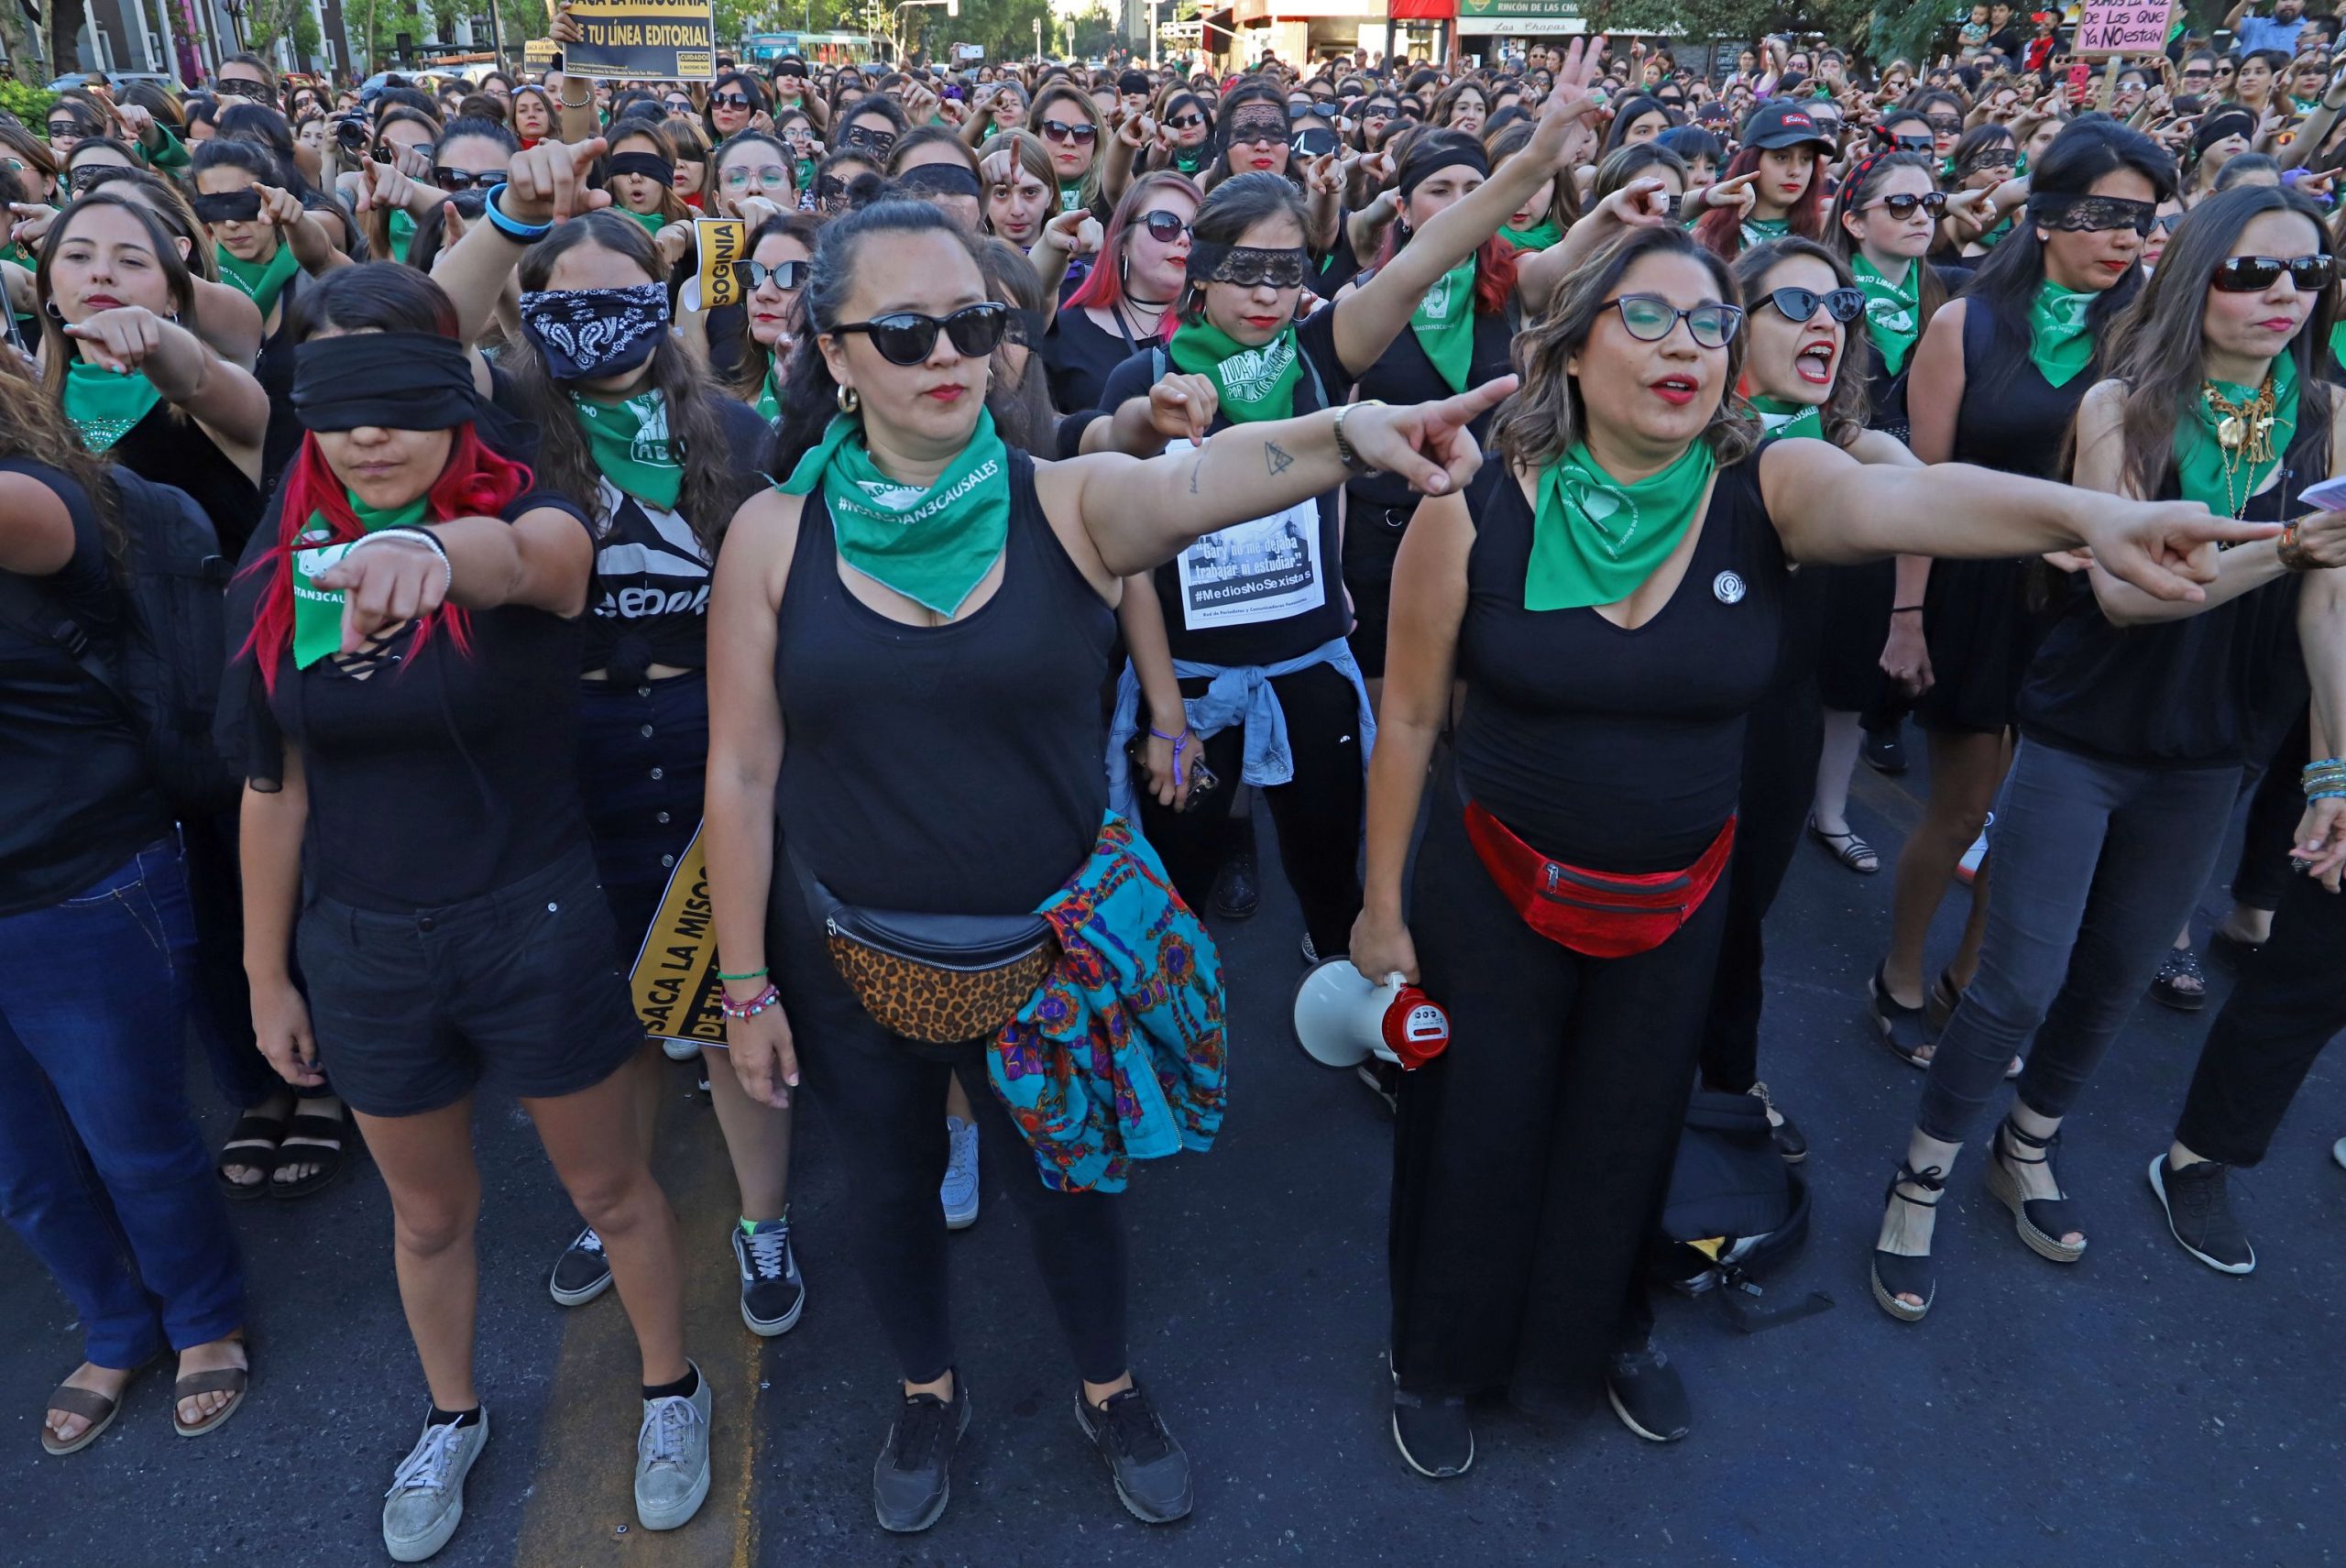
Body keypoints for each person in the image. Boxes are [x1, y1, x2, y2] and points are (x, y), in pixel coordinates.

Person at [1351, 216, 2274, 1479]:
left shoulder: (1766, 486)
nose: (1686, 344)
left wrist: (2090, 516)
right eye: (1648, 316)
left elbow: (1907, 494)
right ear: (1569, 350)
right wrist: (1380, 905)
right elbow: (1409, 717)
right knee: (1477, 1126)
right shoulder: (1471, 508)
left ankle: (1599, 1331)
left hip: (1675, 905)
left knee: (1629, 1127)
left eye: (1709, 322)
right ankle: (1437, 1355)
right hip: (1494, 890)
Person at [702, 190, 1496, 1533]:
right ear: (832, 354)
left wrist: (1340, 435)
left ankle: (1107, 1383)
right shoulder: (774, 536)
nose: (947, 355)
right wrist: (742, 986)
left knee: (1073, 1185)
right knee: (888, 1190)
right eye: (904, 332)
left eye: (973, 325)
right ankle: (925, 1388)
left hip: (1047, 955)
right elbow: (741, 773)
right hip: (844, 954)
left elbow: (1195, 482)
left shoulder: (1064, 500)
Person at [222, 262, 711, 1556]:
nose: (368, 435)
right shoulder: (284, 565)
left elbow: (529, 562)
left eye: (400, 403)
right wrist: (267, 975)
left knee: (609, 1189)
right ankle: (451, 1412)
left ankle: (671, 1386)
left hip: (531, 920)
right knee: (429, 1214)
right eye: (339, 410)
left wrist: (430, 550)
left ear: (457, 401)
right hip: (365, 944)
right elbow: (275, 785)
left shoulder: (536, 516)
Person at [1872, 186, 2346, 1318]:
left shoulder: (2327, 412)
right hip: (2085, 730)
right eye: (2250, 271)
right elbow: (2130, 597)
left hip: (2214, 747)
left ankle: (2026, 1146)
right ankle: (1920, 1176)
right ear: (2195, 276)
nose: (2282, 293)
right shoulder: (2118, 402)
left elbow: (2329, 603)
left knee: (2119, 973)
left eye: (2307, 272)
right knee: (2016, 981)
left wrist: (2333, 769)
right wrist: (2284, 544)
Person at [1093, 82, 1598, 967]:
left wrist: (1533, 159)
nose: (1266, 293)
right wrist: (1165, 710)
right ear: (1199, 272)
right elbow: (1124, 550)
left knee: (1332, 875)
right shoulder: (1147, 379)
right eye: (1242, 269)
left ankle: (1343, 1000)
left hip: (1310, 669)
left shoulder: (1322, 353)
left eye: (1286, 271)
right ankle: (1179, 1033)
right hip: (1193, 682)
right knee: (1176, 895)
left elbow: (1428, 253)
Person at [436, 183, 798, 1326]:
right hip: (567, 753)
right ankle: (615, 1201)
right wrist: (505, 220)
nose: (595, 324)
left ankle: (765, 1222)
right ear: (529, 310)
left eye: (624, 299)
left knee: (728, 996)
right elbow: (424, 330)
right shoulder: (506, 426)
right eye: (566, 304)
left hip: (709, 742)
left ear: (665, 297)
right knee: (617, 1015)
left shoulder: (734, 431)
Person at [1871, 121, 2176, 1066]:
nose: (2124, 236)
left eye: (2141, 219)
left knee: (2032, 824)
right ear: (2043, 216)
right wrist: (1906, 615)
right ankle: (1899, 969)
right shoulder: (1963, 322)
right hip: (1970, 592)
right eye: (2104, 213)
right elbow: (1921, 485)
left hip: (2083, 609)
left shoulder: (2149, 336)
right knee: (1962, 808)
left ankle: (1971, 981)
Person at [0, 349, 252, 1454]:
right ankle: (115, 1323)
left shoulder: (31, 497)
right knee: (22, 1169)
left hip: (81, 876)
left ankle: (202, 1315)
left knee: (131, 1135)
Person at [1045, 170, 1199, 415]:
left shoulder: (1215, 329)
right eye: (1165, 224)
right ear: (1124, 241)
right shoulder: (1066, 329)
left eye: (1197, 231)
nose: (1183, 239)